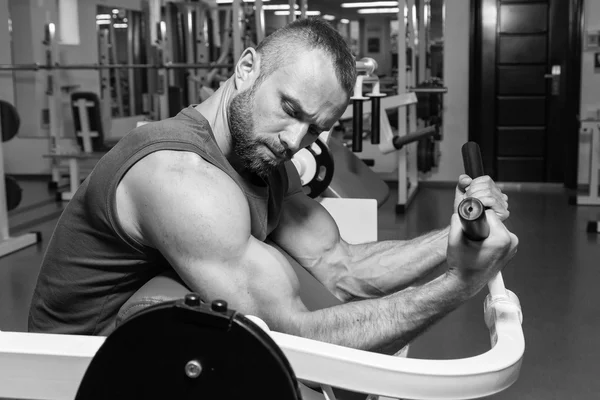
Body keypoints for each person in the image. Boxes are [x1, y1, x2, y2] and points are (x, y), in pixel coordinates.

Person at [28, 19, 518, 352]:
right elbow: (293, 335)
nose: (294, 141)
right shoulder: (179, 176)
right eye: (289, 110)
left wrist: (452, 235)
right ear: (246, 69)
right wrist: (462, 282)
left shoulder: (263, 159)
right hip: (82, 372)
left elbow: (342, 268)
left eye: (315, 129)